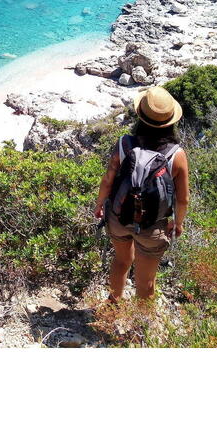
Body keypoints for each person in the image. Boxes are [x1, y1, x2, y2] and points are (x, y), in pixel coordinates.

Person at [93, 86, 189, 302]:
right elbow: (183, 199)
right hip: (152, 226)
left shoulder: (124, 144)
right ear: (171, 121)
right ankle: (140, 329)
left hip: (118, 217)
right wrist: (178, 223)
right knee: (146, 281)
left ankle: (113, 304)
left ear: (140, 117)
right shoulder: (177, 155)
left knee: (121, 260)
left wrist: (100, 205)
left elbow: (108, 180)